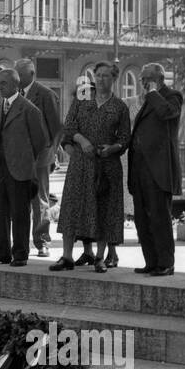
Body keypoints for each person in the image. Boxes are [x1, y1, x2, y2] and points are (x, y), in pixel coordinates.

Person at [50, 61, 131, 272]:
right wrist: (82, 140)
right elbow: (69, 126)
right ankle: (67, 256)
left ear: (114, 78)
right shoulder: (83, 97)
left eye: (106, 76)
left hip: (106, 165)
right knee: (72, 207)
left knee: (103, 210)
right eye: (98, 75)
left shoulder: (119, 107)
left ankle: (100, 257)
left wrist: (112, 148)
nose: (101, 79)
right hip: (80, 163)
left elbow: (124, 139)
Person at [0, 66, 48, 267]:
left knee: (20, 212)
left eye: (3, 83)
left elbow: (40, 141)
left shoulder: (29, 109)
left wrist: (25, 160)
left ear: (15, 85)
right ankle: (1, 252)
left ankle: (20, 253)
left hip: (20, 168)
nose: (0, 87)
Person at [127, 61, 183, 276]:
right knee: (142, 219)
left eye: (145, 78)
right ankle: (151, 261)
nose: (141, 82)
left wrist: (152, 93)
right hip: (140, 167)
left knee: (160, 217)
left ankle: (166, 263)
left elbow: (167, 113)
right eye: (141, 79)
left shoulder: (171, 96)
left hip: (159, 169)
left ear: (158, 79)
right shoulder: (148, 99)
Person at [15, 57, 60, 257]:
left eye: (20, 75)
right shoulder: (13, 95)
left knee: (39, 199)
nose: (17, 79)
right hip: (18, 157)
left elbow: (56, 129)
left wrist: (50, 155)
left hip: (40, 157)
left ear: (31, 75)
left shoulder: (46, 95)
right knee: (20, 200)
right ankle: (21, 243)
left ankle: (42, 242)